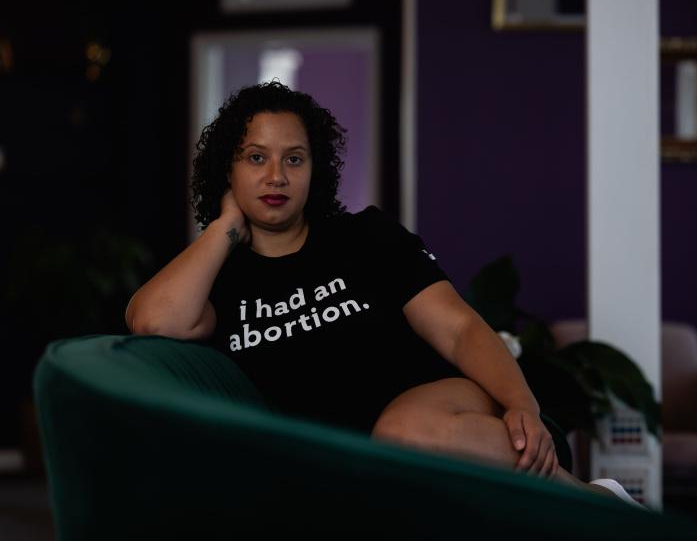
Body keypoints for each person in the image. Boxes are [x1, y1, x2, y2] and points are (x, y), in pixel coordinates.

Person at [124, 80, 640, 508]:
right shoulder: (224, 281)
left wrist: (522, 404)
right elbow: (151, 320)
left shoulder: (365, 238)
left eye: (295, 159)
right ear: (227, 171)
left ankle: (596, 505)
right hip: (370, 477)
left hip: (451, 416)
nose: (276, 176)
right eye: (255, 158)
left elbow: (458, 330)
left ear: (315, 170)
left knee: (401, 430)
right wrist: (225, 226)